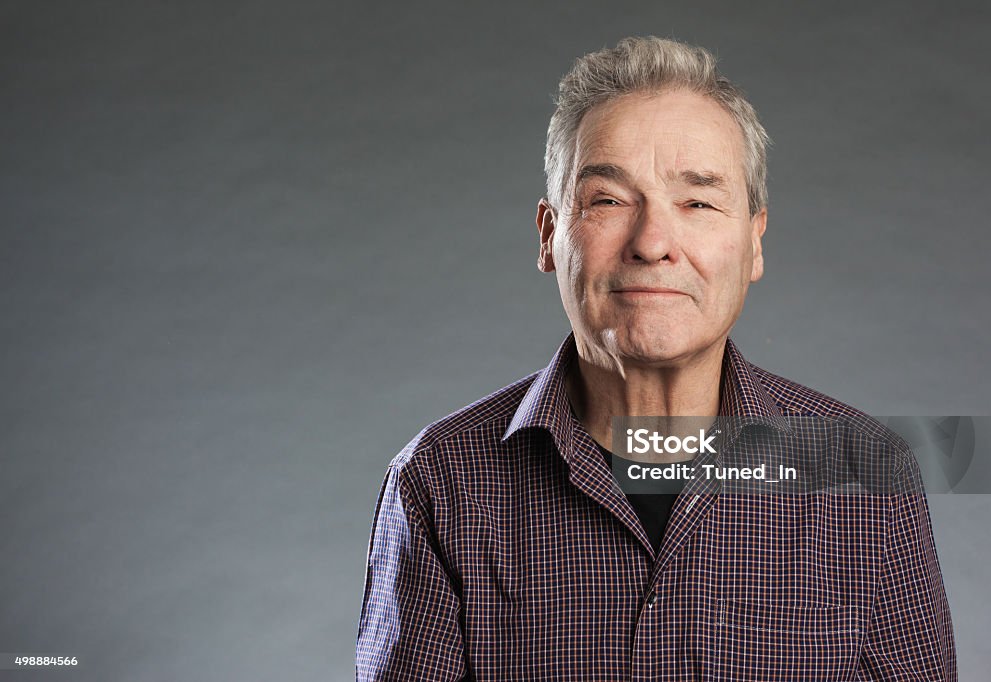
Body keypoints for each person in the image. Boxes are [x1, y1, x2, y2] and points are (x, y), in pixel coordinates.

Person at [355, 36, 956, 680]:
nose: (653, 243)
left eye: (697, 201)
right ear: (550, 235)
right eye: (609, 200)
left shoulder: (862, 475)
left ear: (754, 244)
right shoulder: (440, 482)